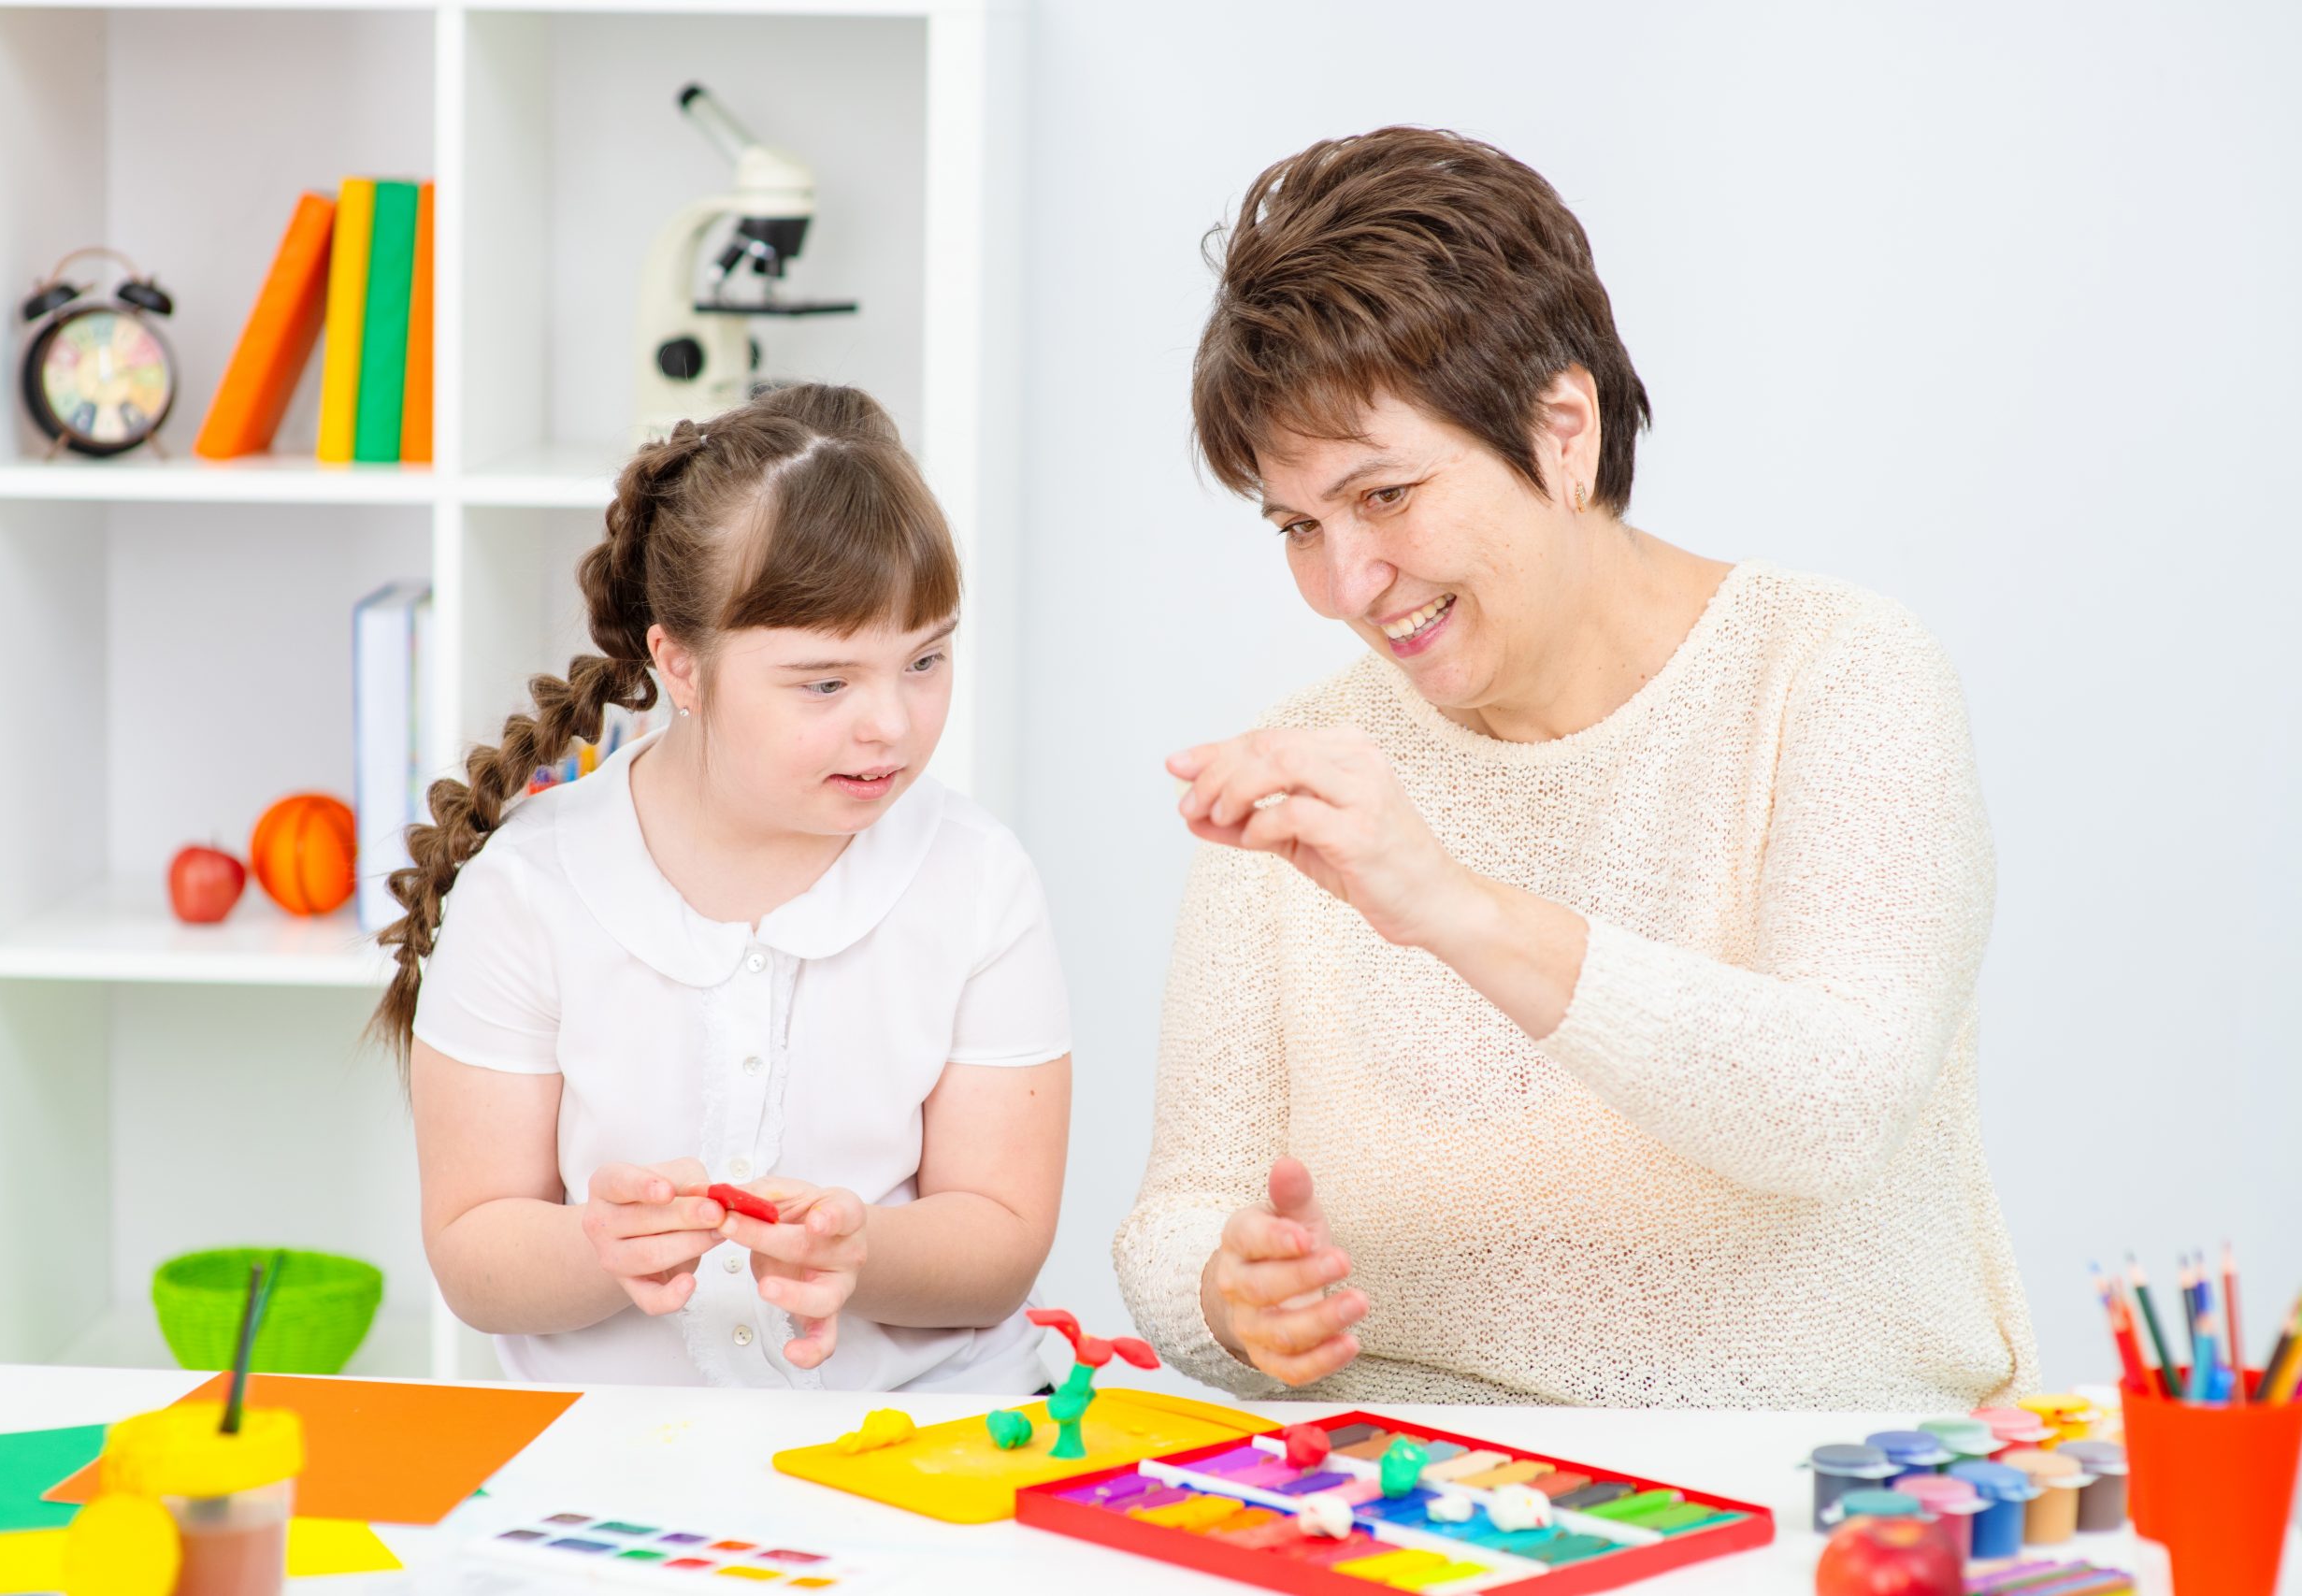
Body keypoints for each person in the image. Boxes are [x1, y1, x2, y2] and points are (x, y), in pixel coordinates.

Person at [1115, 128, 2037, 1408]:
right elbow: (1181, 1211)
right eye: (1297, 525)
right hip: (1414, 1497)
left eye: (1383, 496)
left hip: (1811, 1480)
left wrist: (1450, 904)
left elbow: (1834, 1105)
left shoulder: (1835, 673)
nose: (1345, 584)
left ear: (1562, 429)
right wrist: (1230, 1295)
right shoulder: (1313, 760)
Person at [377, 383, 1072, 1392]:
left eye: (925, 659)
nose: (892, 722)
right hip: (611, 1459)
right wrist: (598, 1250)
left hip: (922, 1436)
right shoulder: (531, 890)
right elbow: (473, 1253)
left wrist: (862, 1250)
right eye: (825, 683)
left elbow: (1001, 1242)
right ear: (681, 666)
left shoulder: (977, 882)